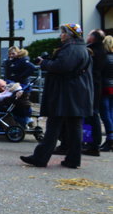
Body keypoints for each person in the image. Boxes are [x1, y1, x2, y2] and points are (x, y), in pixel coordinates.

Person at [20, 24, 93, 169]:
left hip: (66, 94)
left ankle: (40, 158)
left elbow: (62, 66)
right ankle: (73, 160)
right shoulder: (81, 48)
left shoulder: (71, 48)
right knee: (74, 127)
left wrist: (44, 63)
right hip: (76, 93)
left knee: (54, 126)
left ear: (69, 35)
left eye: (63, 33)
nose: (61, 35)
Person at [84, 30, 106, 156]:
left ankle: (92, 144)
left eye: (89, 35)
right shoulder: (102, 50)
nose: (87, 37)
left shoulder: (92, 51)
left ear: (93, 38)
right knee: (90, 114)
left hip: (91, 86)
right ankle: (90, 143)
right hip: (96, 85)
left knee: (91, 114)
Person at [100, 35, 113, 152]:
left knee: (105, 114)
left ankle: (110, 138)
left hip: (105, 88)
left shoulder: (104, 58)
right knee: (111, 113)